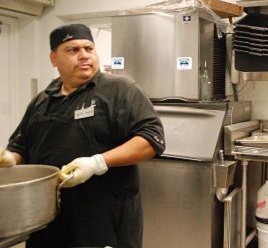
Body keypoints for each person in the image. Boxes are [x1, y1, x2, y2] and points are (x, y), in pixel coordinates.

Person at [0, 23, 165, 248]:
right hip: (47, 221)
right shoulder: (42, 99)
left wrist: (97, 163)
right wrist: (10, 160)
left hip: (102, 220)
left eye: (89, 48)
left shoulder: (120, 89)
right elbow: (22, 146)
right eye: (73, 50)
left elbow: (151, 139)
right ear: (54, 58)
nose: (84, 56)